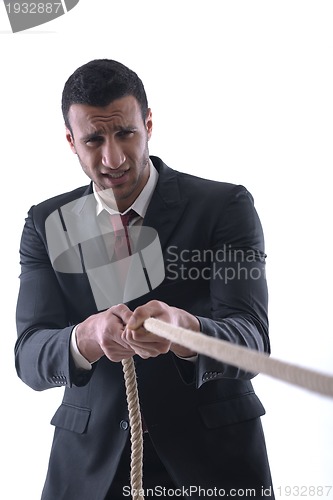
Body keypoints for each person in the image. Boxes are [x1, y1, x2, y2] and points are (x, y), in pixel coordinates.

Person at [15, 59, 275, 499]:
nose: (112, 158)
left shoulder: (225, 206)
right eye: (94, 140)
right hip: (87, 473)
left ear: (149, 124)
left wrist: (186, 331)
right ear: (70, 142)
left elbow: (253, 342)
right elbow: (29, 357)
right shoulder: (46, 223)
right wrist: (86, 337)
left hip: (215, 466)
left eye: (125, 133)